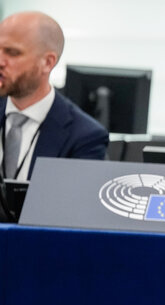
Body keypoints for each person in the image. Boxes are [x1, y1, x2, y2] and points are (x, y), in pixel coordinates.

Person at [0, 11, 108, 181]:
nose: (1, 60)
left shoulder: (84, 136)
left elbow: (75, 204)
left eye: (12, 53)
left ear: (47, 62)